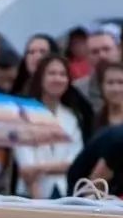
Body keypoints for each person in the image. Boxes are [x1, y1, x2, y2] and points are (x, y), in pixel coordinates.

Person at [15, 54, 87, 198]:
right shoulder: (25, 114)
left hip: (64, 191)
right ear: (41, 78)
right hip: (30, 194)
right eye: (52, 73)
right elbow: (27, 167)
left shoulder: (71, 117)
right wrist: (38, 203)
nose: (57, 78)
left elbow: (76, 161)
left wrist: (41, 168)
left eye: (62, 74)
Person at [71, 27, 121, 112]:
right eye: (95, 52)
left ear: (119, 51)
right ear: (87, 57)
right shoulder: (77, 89)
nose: (102, 55)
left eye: (106, 49)